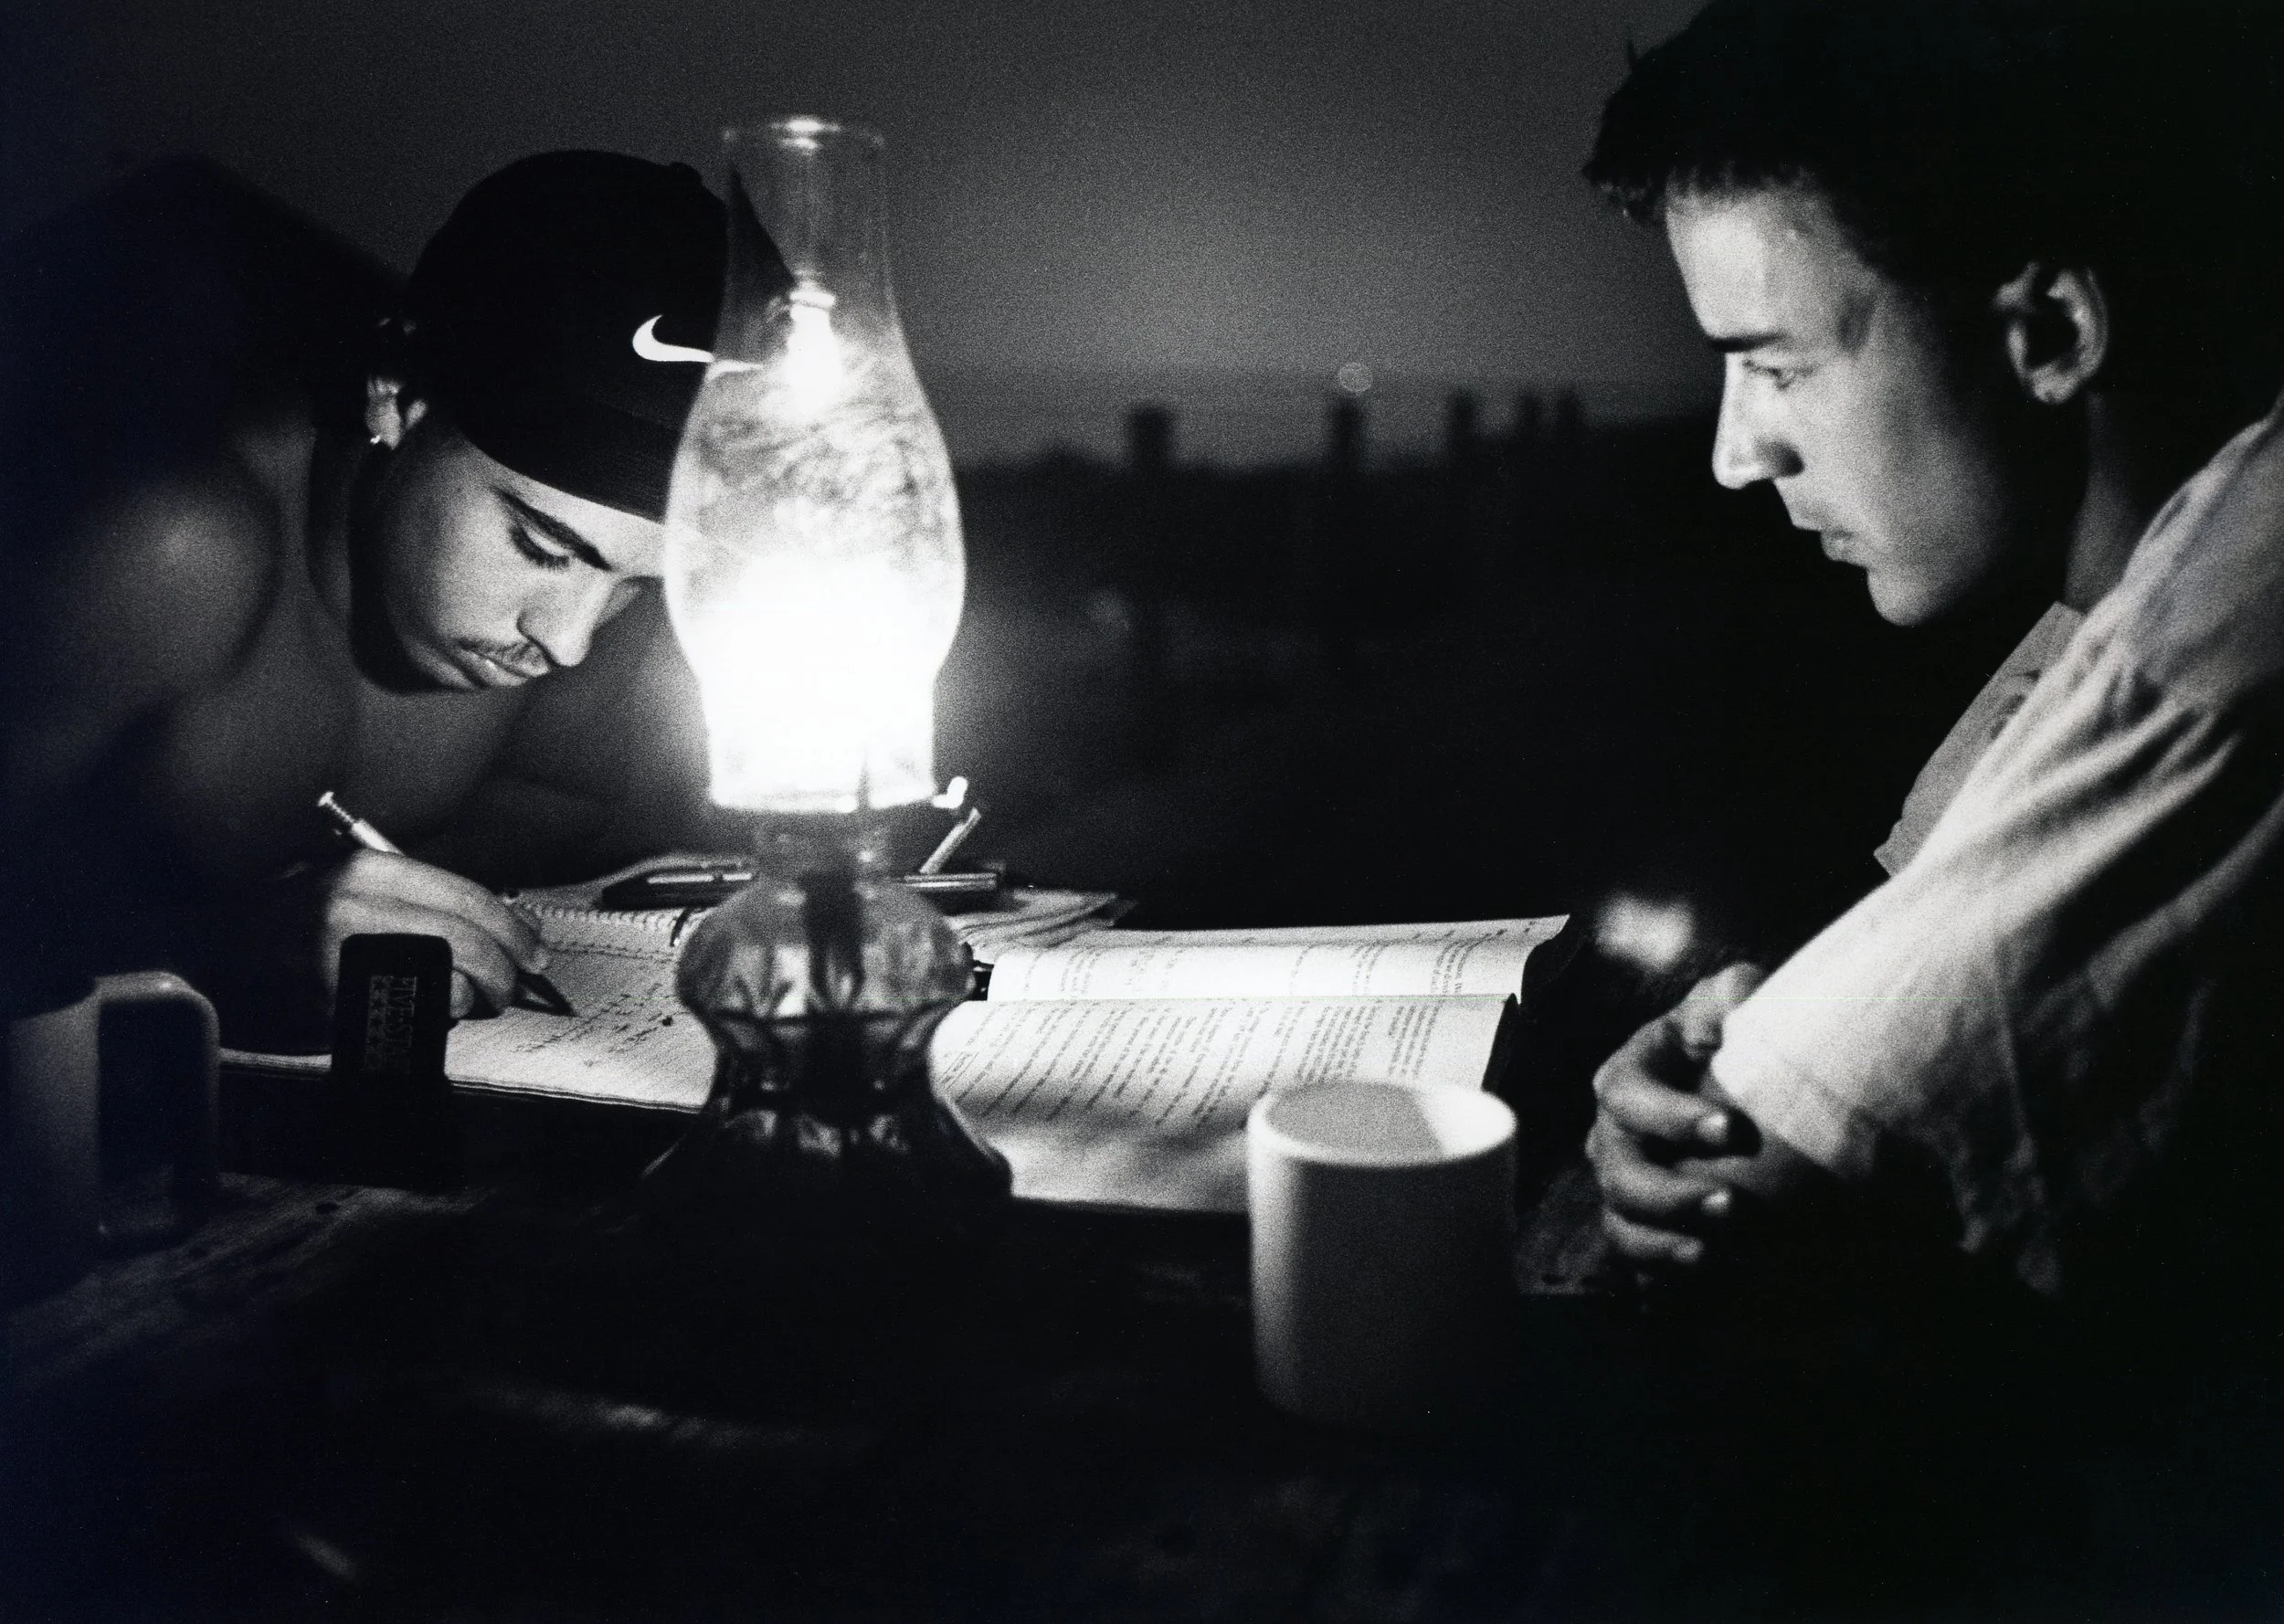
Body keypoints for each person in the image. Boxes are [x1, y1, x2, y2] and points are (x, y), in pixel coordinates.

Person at [1577, 0, 2284, 1339]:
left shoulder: (2215, 649)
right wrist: (1724, 1065)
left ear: (2053, 334)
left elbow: (1776, 1184)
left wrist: (1726, 1123)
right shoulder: (2099, 614)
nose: (1741, 456)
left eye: (1777, 364)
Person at [0, 151, 779, 1047]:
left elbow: (570, 812)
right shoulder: (170, 545)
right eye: (540, 545)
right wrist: (218, 952)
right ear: (398, 396)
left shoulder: (587, 608)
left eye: (643, 580)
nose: (567, 640)